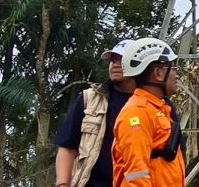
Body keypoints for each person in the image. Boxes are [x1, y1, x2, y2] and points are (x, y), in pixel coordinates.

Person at [53, 39, 136, 187]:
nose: (115, 64)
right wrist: (62, 184)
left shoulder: (155, 104)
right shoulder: (89, 99)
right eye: (113, 60)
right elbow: (67, 146)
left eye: (122, 59)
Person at [112, 37, 185, 186]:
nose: (177, 75)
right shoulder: (137, 113)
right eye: (172, 68)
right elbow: (136, 176)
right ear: (158, 73)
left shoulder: (157, 109)